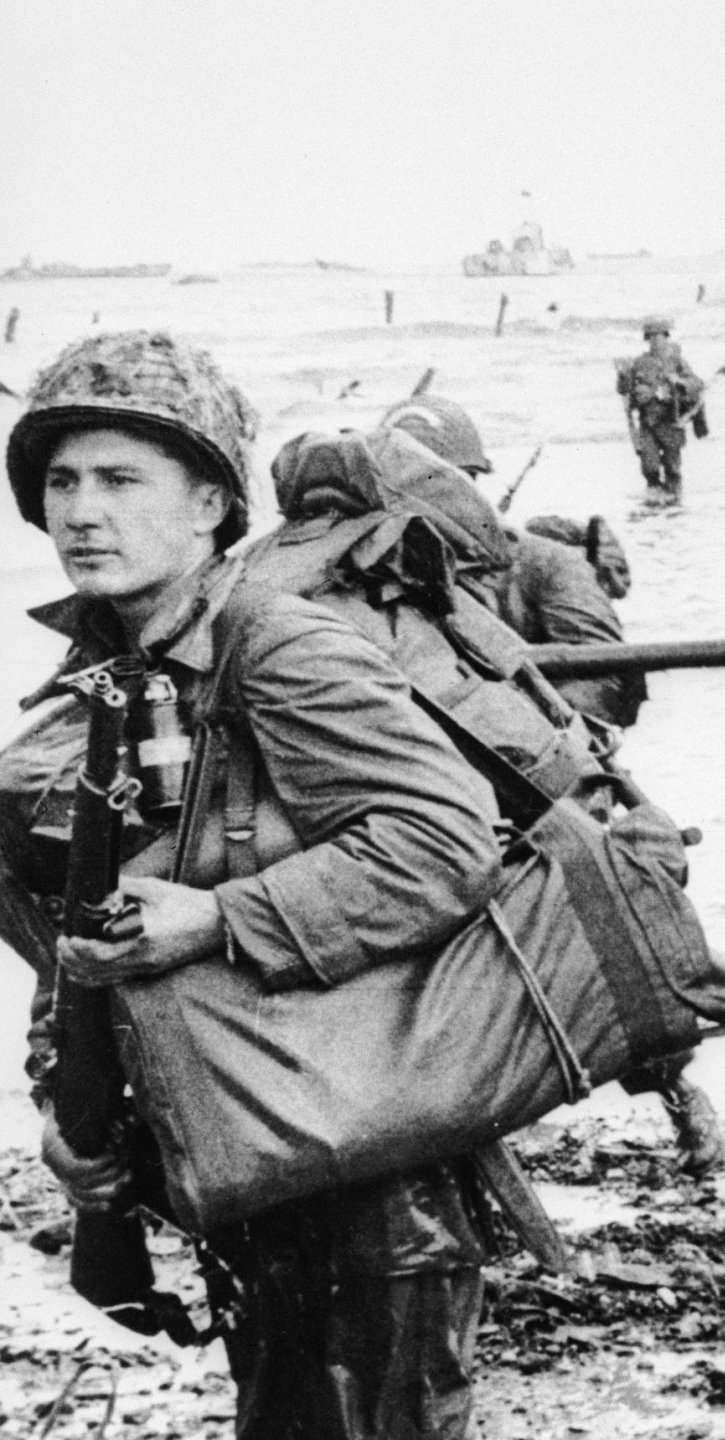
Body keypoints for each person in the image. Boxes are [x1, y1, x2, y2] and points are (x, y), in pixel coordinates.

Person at [5, 330, 504, 1436]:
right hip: (253, 1158)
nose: (82, 512)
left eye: (122, 480)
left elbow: (444, 839)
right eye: (60, 482)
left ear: (211, 507)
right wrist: (72, 1106)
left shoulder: (279, 646)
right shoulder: (117, 674)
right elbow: (88, 920)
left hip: (368, 1185)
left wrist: (221, 918)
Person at [380, 394, 643, 730]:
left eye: (430, 484)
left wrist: (517, 732)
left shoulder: (544, 563)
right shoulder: (373, 569)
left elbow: (603, 679)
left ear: (468, 483)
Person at [615, 316, 703, 494]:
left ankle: (674, 502)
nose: (654, 340)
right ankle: (654, 500)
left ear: (666, 336)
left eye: (658, 336)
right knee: (650, 468)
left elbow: (697, 383)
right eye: (651, 337)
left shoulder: (677, 361)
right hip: (648, 423)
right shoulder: (640, 363)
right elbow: (624, 390)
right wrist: (623, 378)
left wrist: (678, 382)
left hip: (670, 421)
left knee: (673, 469)